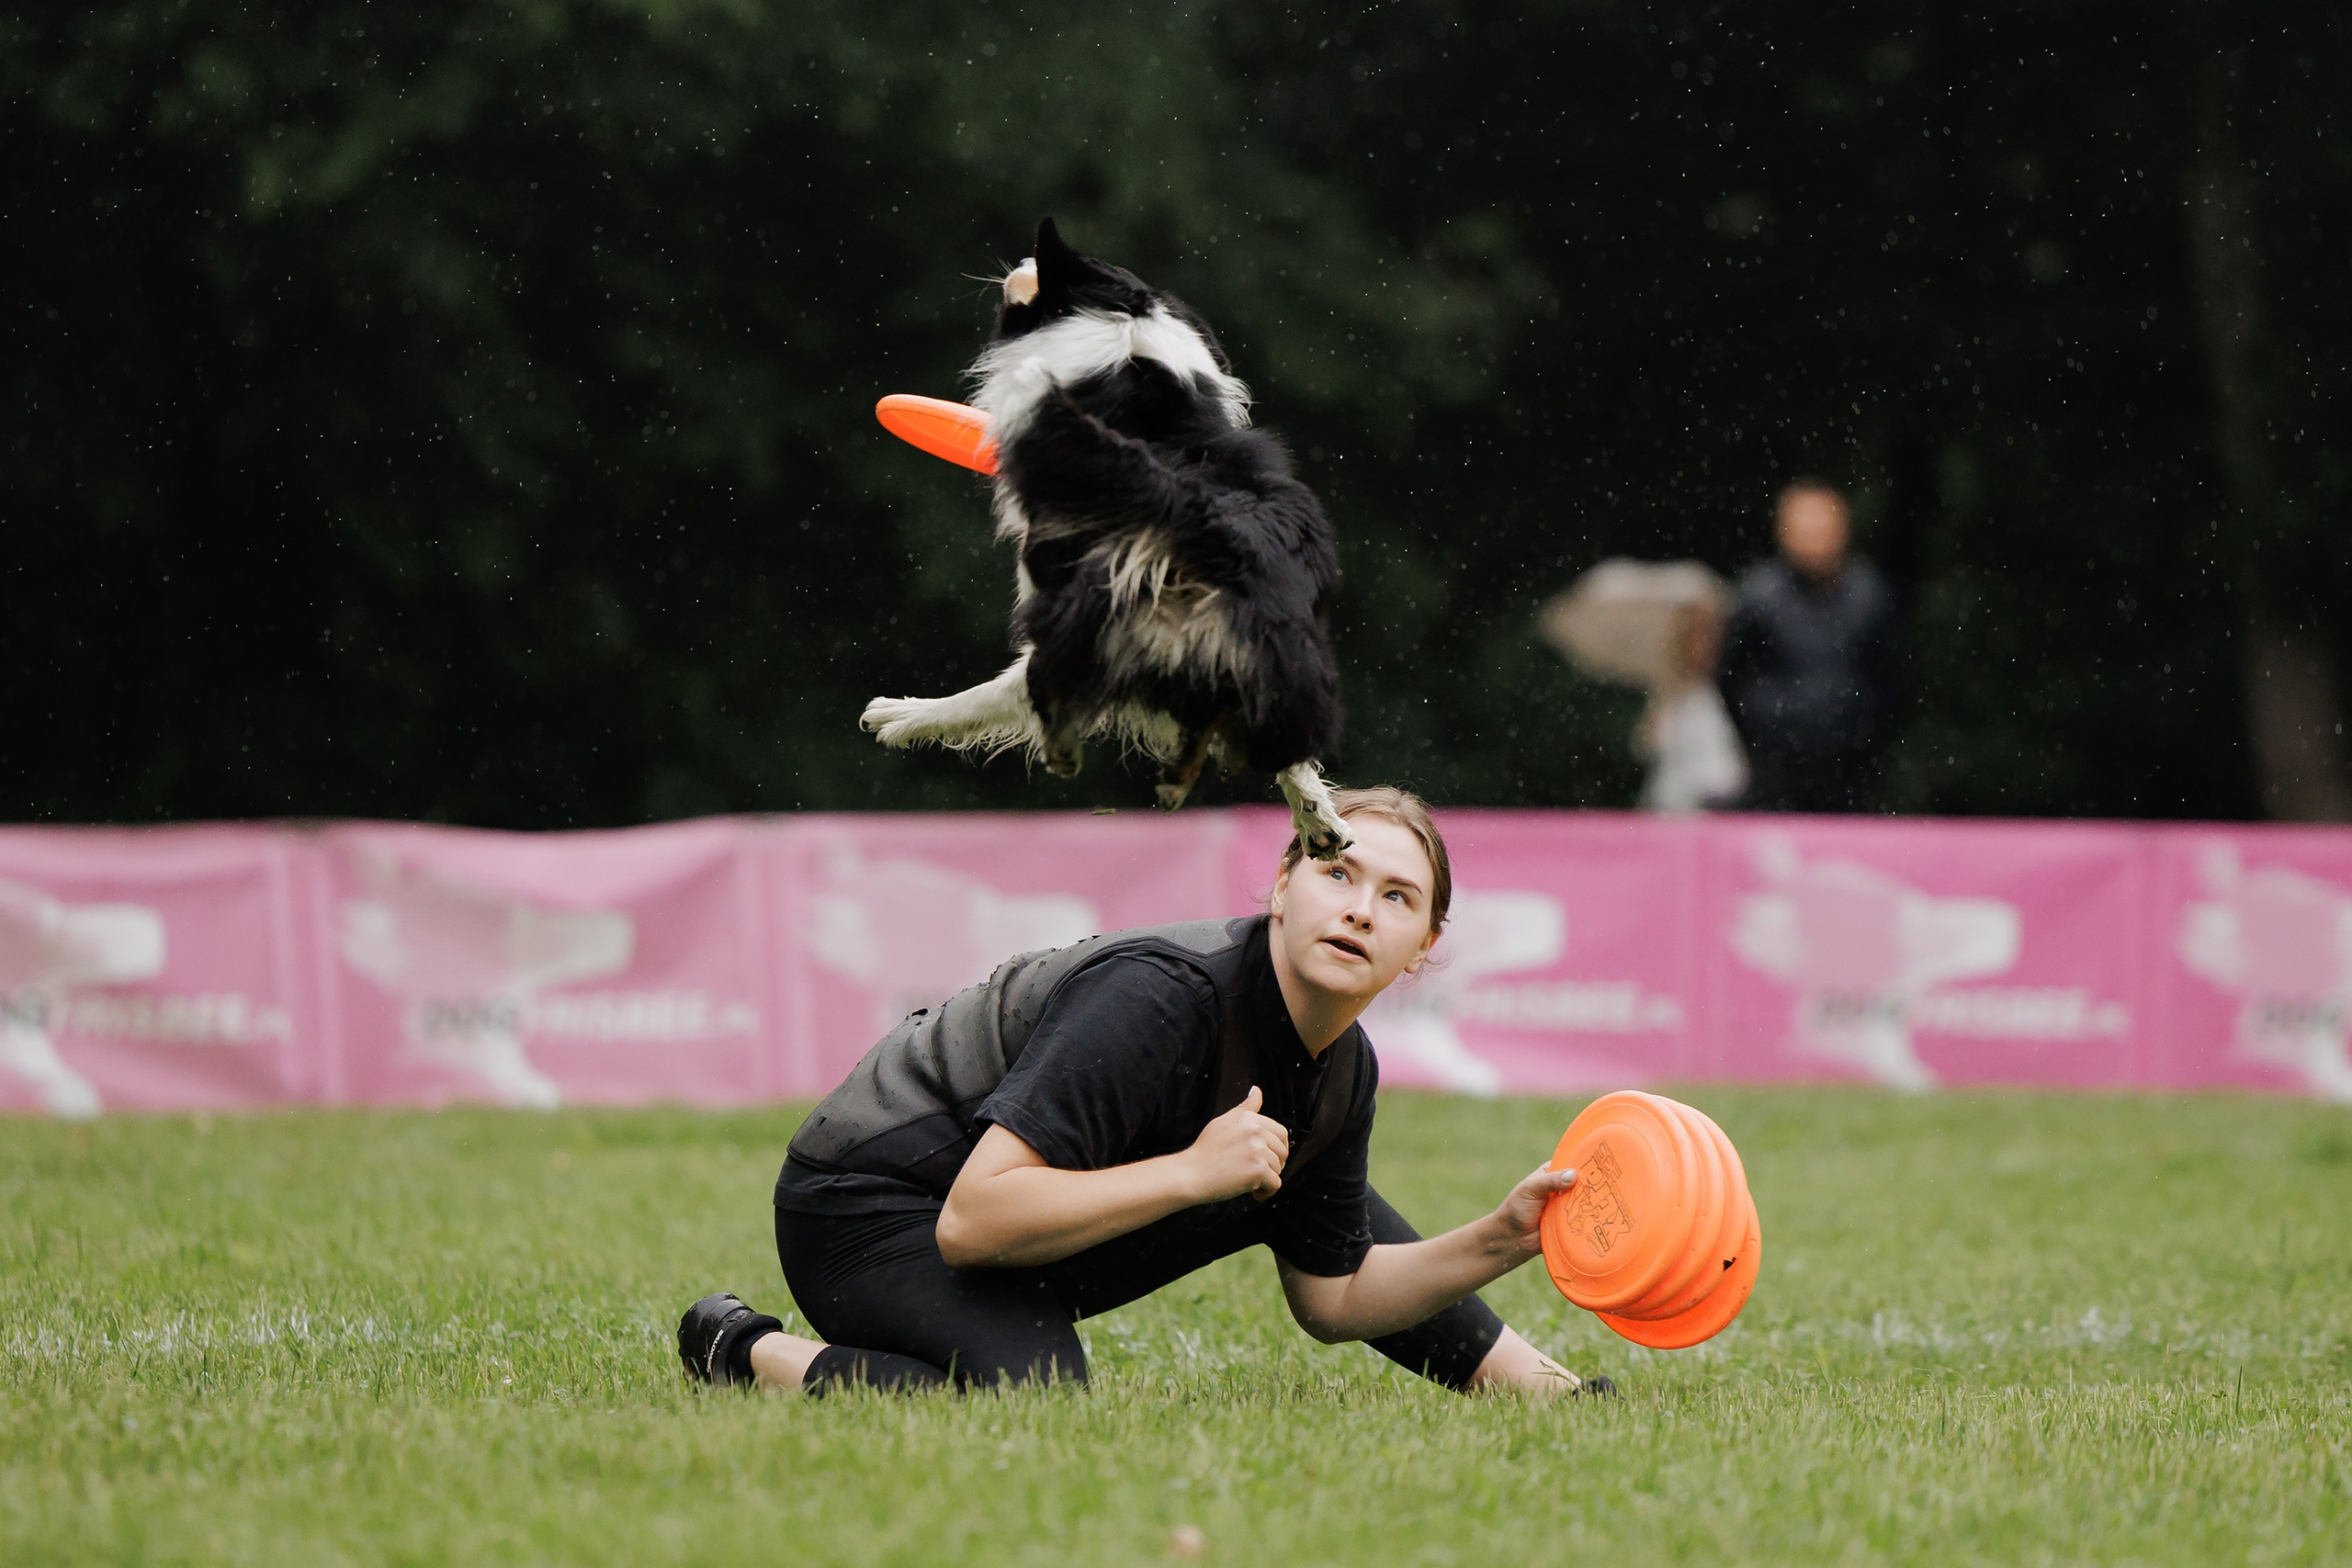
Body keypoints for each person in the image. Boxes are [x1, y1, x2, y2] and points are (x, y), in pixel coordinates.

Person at [678, 787, 1612, 1398]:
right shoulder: (1160, 997)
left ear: (1424, 949)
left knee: (1283, 1167)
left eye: (1397, 897)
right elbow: (972, 1220)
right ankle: (742, 1347)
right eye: (1336, 871)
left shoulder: (1345, 1067)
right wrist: (1193, 1174)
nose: (1361, 908)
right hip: (867, 1203)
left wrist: (1503, 1236)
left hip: (1011, 1224)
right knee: (1029, 1395)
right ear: (1282, 886)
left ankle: (1540, 1390)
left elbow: (1335, 1299)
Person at [1717, 479, 1901, 813]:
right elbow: (1729, 676)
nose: (1814, 537)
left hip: (1853, 772)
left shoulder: (1869, 595)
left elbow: (1890, 679)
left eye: (1822, 526)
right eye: (1805, 527)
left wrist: (1865, 737)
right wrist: (1763, 731)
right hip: (1774, 772)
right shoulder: (1758, 595)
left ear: (1843, 530)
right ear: (1783, 531)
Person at [1638, 593, 1748, 813]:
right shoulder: (1676, 696)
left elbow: (1724, 771)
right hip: (1673, 808)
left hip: (1700, 809)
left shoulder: (1714, 694)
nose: (1706, 646)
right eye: (1698, 637)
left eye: (1710, 637)